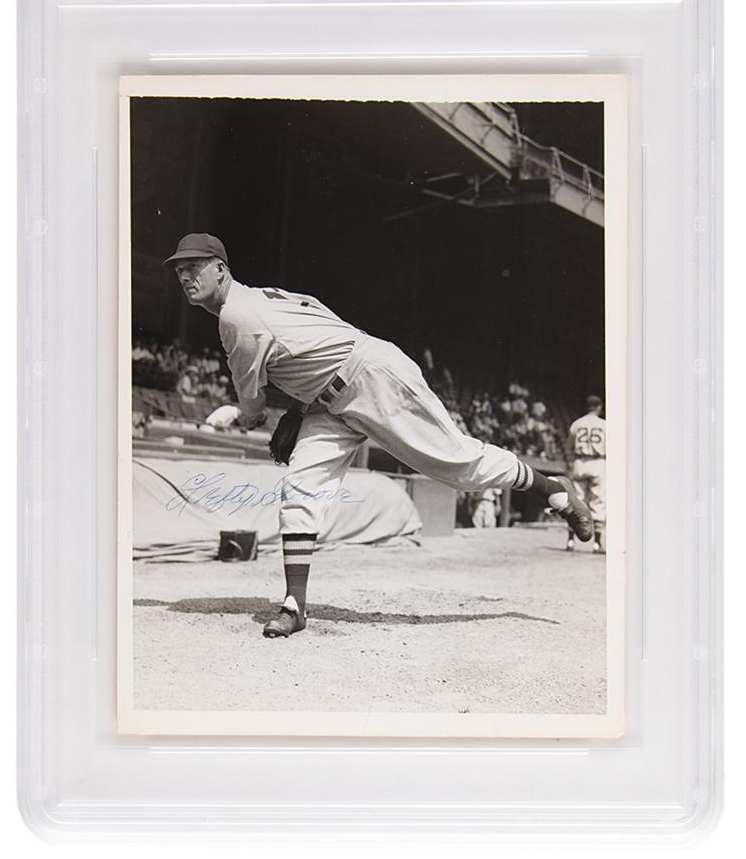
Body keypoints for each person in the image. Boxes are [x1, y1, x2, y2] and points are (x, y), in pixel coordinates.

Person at [164, 232, 595, 637]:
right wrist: (300, 405)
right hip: (329, 400)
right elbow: (318, 334)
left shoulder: (236, 316)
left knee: (460, 466)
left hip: (371, 378)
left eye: (195, 266)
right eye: (180, 270)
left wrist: (246, 417)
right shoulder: (265, 297)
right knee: (300, 488)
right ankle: (295, 606)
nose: (185, 276)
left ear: (220, 268)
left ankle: (554, 490)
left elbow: (252, 403)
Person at [565, 395, 607, 553]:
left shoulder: (577, 423)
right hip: (598, 461)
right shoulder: (604, 424)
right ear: (599, 407)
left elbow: (568, 447)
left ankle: (570, 541)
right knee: (598, 501)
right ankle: (597, 544)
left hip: (580, 462)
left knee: (576, 501)